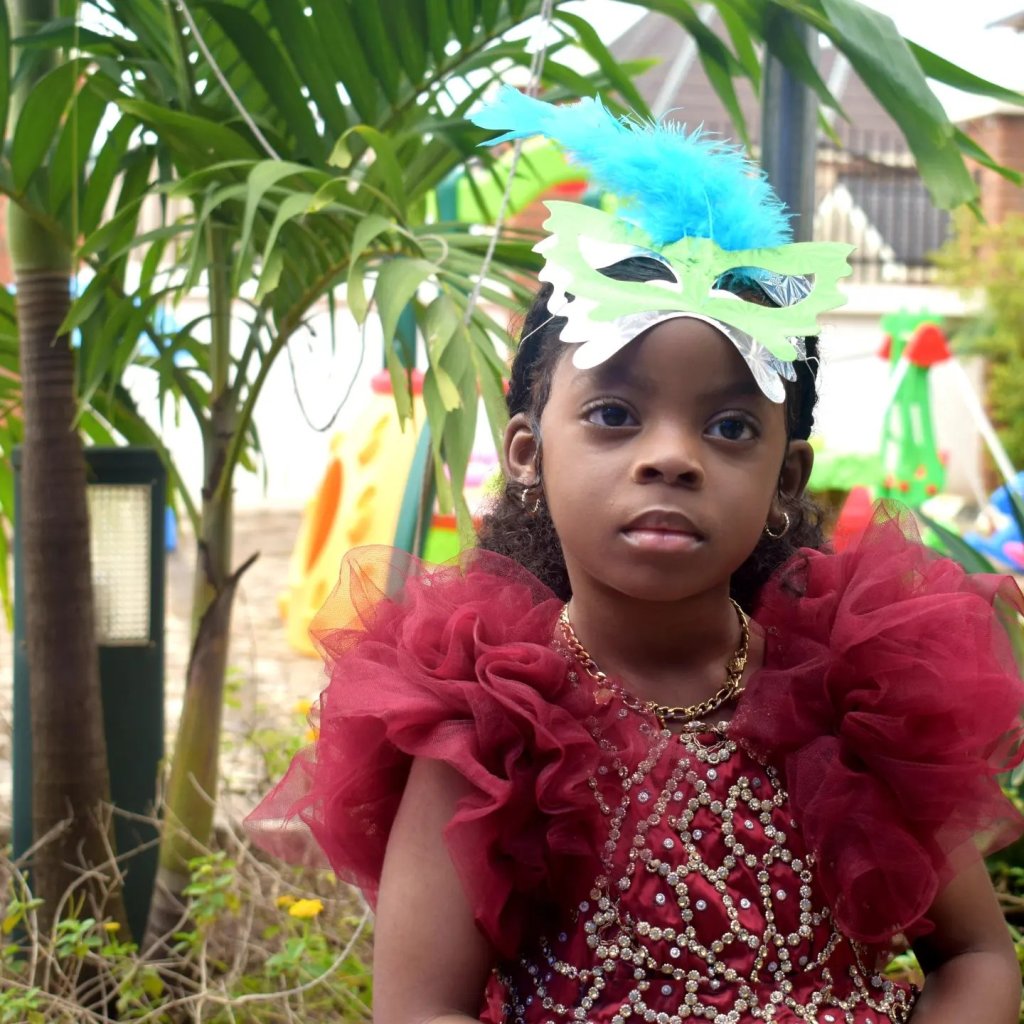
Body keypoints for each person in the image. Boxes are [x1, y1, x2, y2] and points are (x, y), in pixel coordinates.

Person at [248, 89, 1024, 1024]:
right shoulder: (492, 734)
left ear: (787, 476)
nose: (671, 457)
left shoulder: (853, 701)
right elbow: (420, 1009)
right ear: (529, 453)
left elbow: (977, 956)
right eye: (614, 414)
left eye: (730, 426)